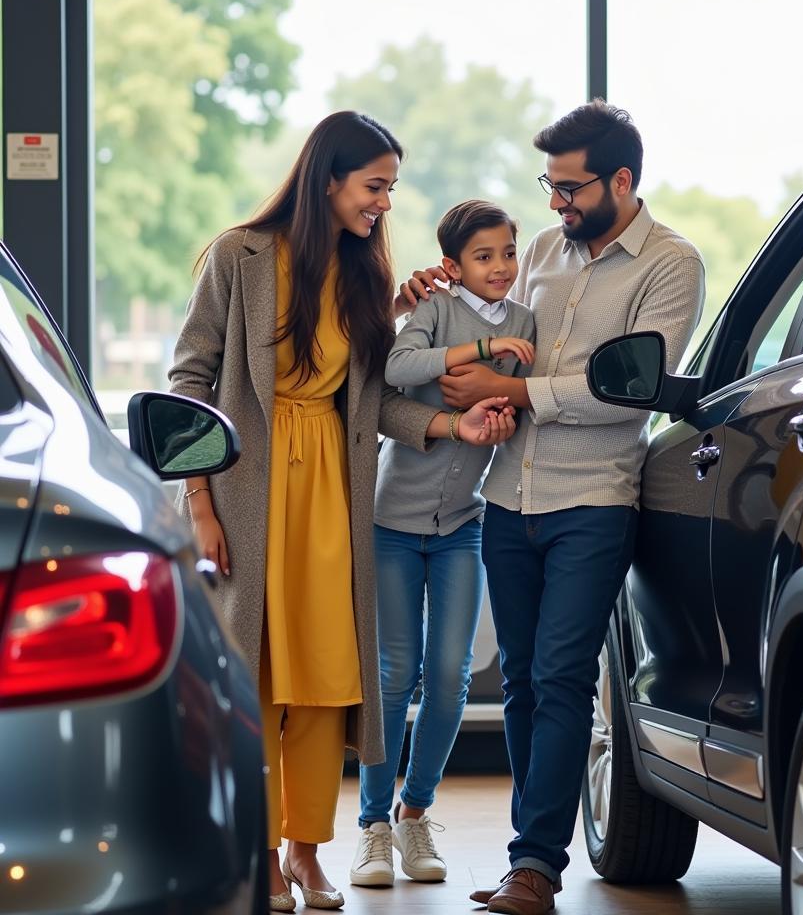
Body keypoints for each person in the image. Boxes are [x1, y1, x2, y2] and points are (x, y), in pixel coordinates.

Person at [167, 111, 515, 914]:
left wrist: (447, 424)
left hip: (334, 491)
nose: (385, 203)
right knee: (253, 679)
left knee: (326, 681)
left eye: (390, 188)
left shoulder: (365, 276)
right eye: (374, 186)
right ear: (328, 179)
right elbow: (189, 380)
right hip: (245, 489)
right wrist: (200, 503)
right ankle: (253, 852)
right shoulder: (238, 255)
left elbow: (377, 403)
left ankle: (306, 852)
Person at [401, 100, 705, 915]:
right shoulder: (538, 253)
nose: (555, 204)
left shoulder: (671, 265)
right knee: (527, 683)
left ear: (622, 180)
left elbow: (629, 390)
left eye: (569, 189)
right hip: (505, 498)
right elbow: (475, 328)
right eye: (550, 184)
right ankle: (525, 859)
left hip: (594, 501)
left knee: (566, 677)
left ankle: (535, 866)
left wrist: (512, 389)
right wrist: (431, 297)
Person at [349, 200, 536, 890]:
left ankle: (413, 811)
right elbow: (398, 370)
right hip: (392, 527)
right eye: (484, 257)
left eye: (508, 253)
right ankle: (371, 826)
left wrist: (498, 402)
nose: (501, 268)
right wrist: (481, 353)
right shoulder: (436, 308)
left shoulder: (526, 324)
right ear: (454, 266)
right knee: (394, 675)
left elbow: (517, 403)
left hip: (463, 525)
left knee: (453, 680)